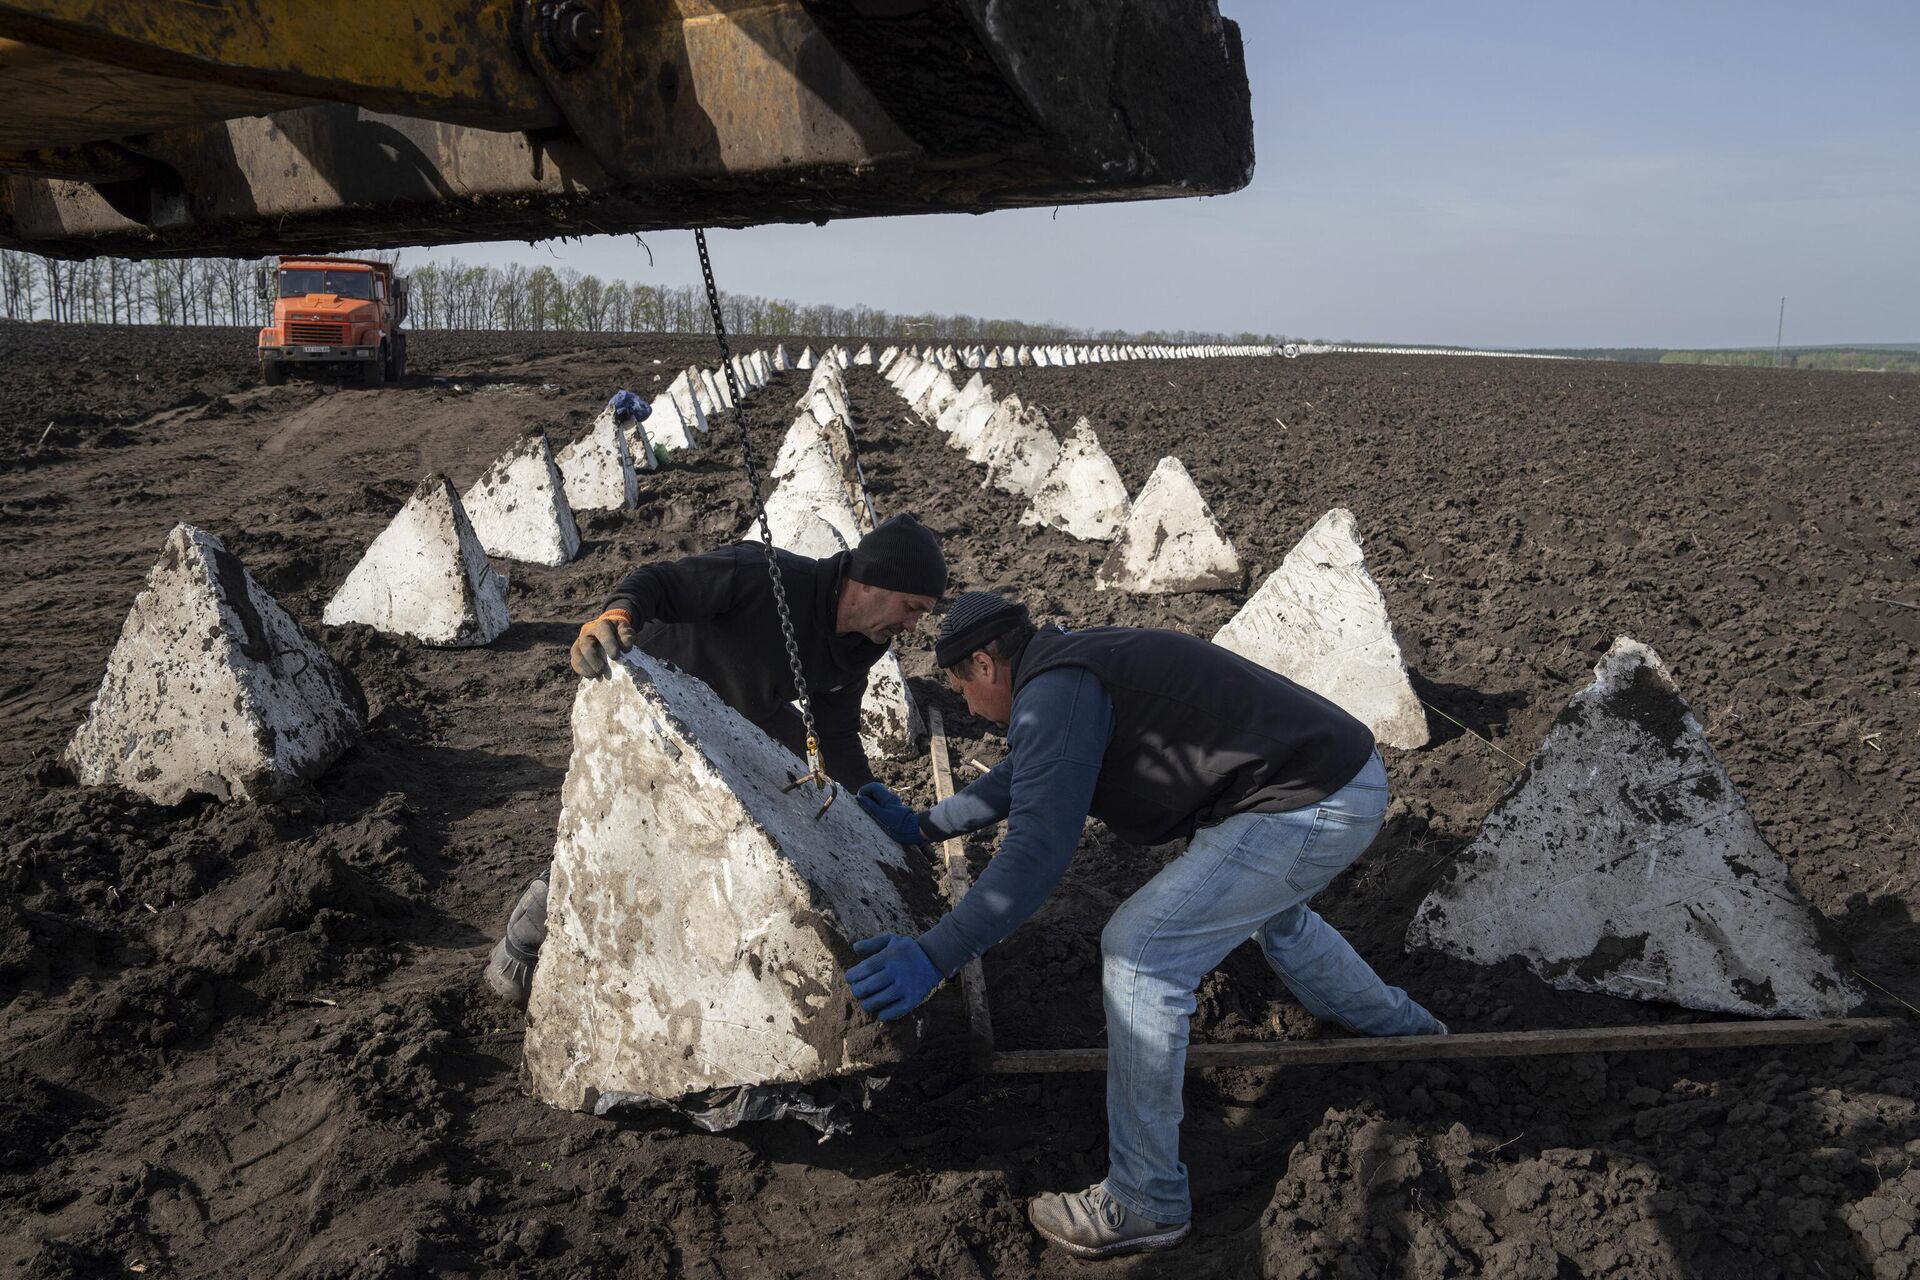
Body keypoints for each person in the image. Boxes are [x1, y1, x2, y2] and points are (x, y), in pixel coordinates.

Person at [845, 592, 1444, 1260]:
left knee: (1140, 954)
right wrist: (920, 826)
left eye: (958, 683)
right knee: (1276, 917)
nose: (961, 699)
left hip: (1309, 805)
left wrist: (934, 955)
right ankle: (1401, 1027)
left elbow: (1038, 853)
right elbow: (1023, 778)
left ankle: (1146, 1199)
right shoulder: (1067, 671)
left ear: (985, 664)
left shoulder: (1056, 690)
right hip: (1327, 781)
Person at [484, 514, 947, 1007]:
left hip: (741, 714)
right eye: (912, 608)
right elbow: (661, 582)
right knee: (629, 823)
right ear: (873, 582)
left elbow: (833, 732)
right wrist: (620, 615)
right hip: (664, 690)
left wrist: (865, 804)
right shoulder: (763, 575)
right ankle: (523, 941)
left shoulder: (864, 644)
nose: (912, 625)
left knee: (794, 802)